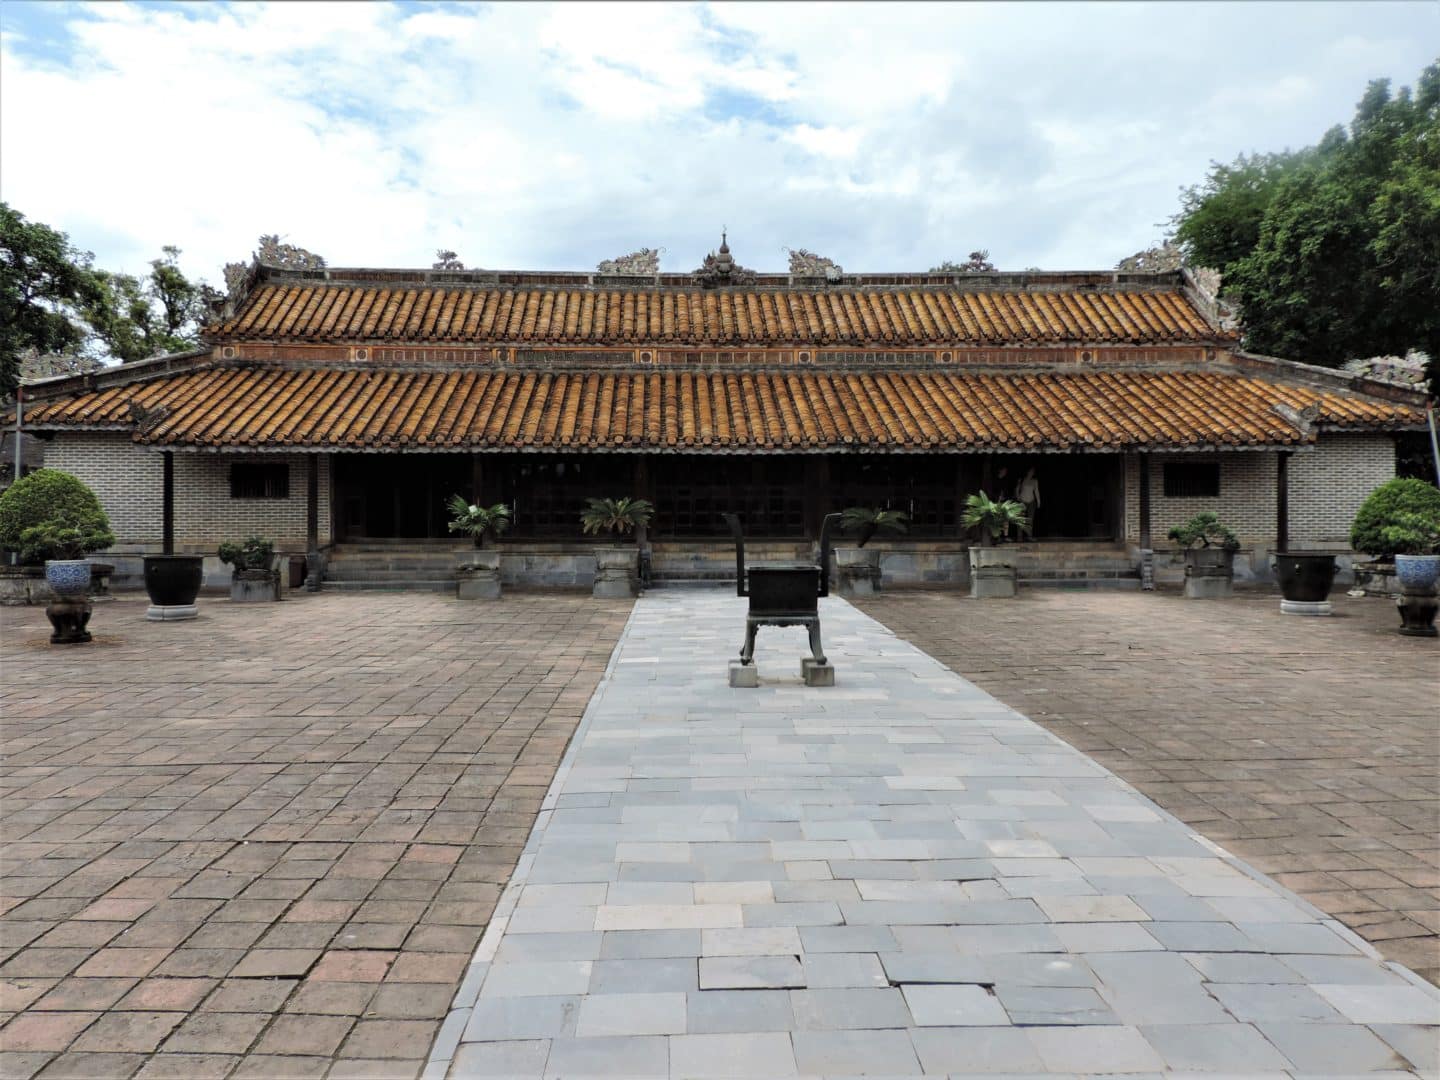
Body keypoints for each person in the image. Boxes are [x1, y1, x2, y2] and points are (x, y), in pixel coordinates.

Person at [1016, 466, 1040, 539]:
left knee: (1030, 520)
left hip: (1031, 502)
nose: (1031, 473)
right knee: (1020, 519)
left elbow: (1036, 491)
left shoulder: (1034, 480)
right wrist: (1018, 497)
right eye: (1030, 471)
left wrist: (1038, 501)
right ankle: (1019, 536)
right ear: (1027, 472)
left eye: (1033, 472)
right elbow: (1017, 489)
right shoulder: (1022, 479)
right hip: (1023, 501)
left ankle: (1029, 535)